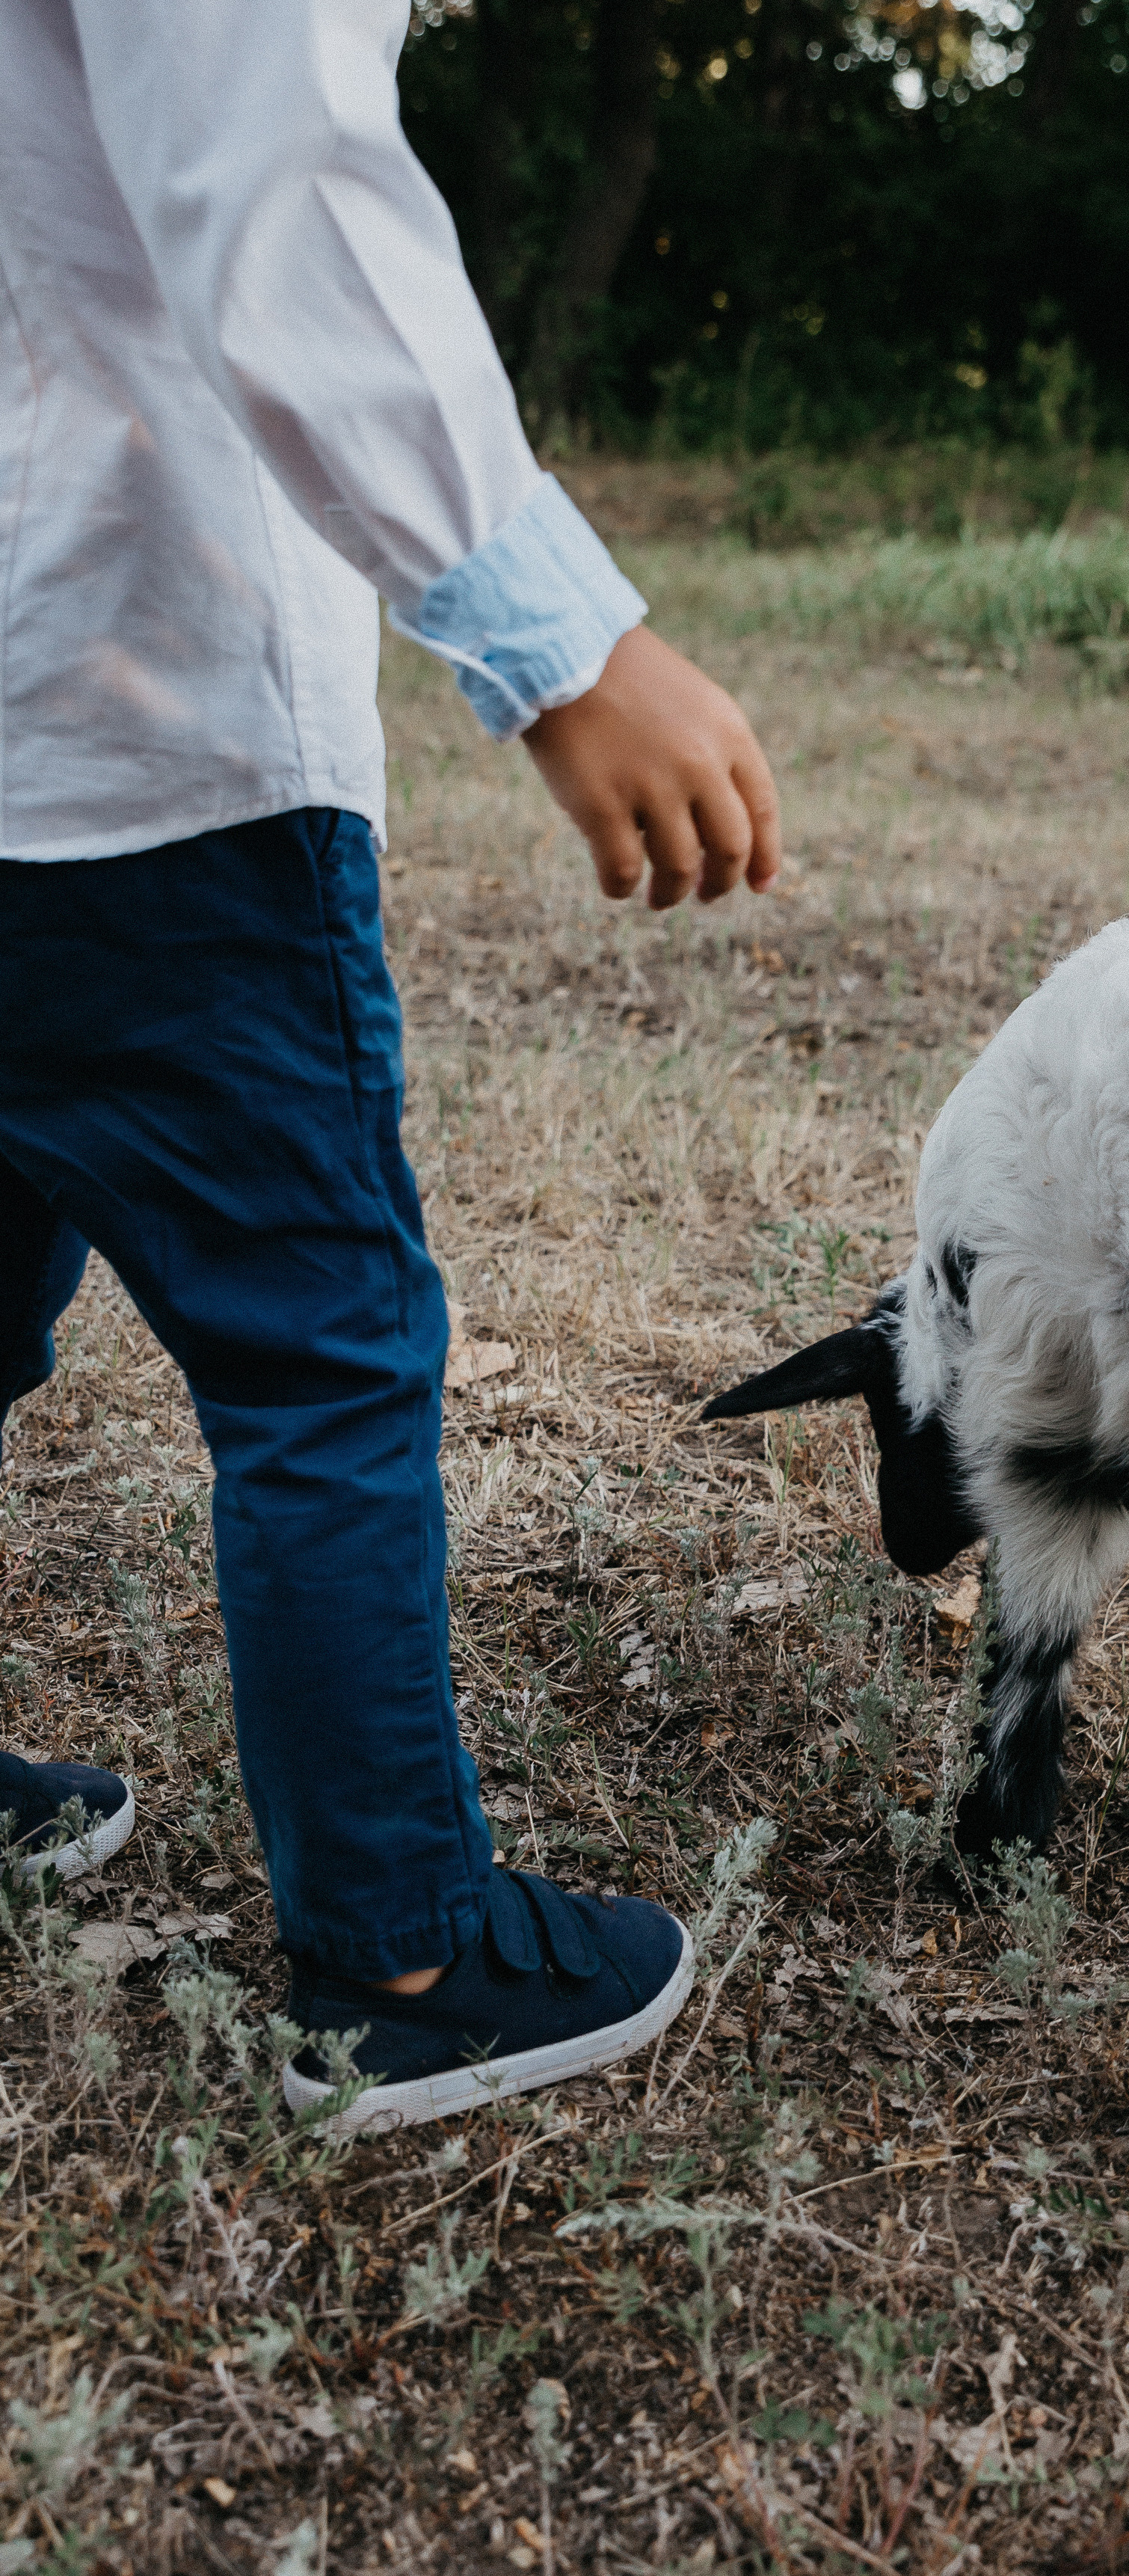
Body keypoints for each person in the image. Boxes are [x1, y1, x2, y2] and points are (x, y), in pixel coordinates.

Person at [0, 0, 781, 2129]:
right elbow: (273, 178)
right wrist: (555, 632)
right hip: (134, 718)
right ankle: (406, 1959)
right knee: (320, 1354)